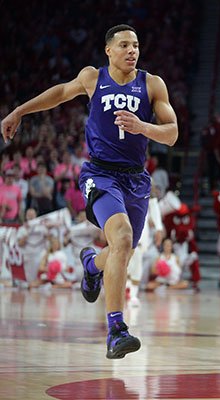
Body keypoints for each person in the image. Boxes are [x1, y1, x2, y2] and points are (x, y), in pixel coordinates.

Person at [1, 24, 178, 359]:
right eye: (124, 45)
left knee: (120, 251)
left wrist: (143, 127)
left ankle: (91, 264)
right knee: (122, 238)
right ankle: (116, 330)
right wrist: (19, 111)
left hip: (136, 179)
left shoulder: (152, 84)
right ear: (108, 50)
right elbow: (59, 93)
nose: (132, 51)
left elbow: (171, 134)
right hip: (99, 173)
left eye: (136, 45)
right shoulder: (92, 78)